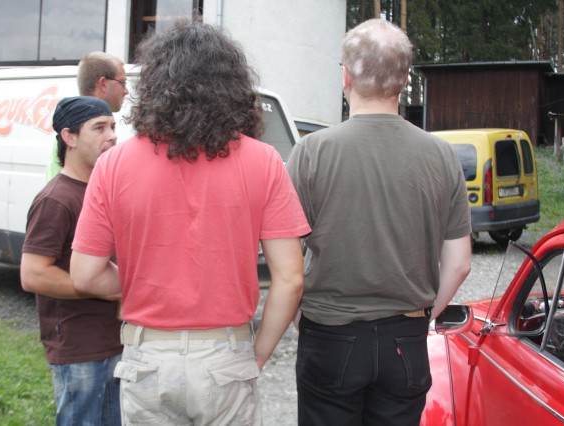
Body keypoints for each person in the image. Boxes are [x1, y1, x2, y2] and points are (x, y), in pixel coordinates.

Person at [69, 22, 310, 425]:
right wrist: (257, 355)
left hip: (146, 359)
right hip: (225, 356)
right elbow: (290, 279)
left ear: (154, 86)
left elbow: (84, 275)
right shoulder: (264, 161)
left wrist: (147, 280)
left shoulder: (113, 164)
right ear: (233, 85)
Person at [286, 19, 472, 426]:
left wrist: (301, 316)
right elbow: (459, 264)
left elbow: (286, 262)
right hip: (405, 338)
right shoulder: (442, 155)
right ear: (403, 81)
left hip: (329, 334)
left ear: (346, 77)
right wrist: (423, 316)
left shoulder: (311, 152)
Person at [21, 96, 121, 425]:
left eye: (113, 127)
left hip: (117, 343)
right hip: (80, 350)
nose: (112, 136)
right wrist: (106, 289)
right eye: (99, 128)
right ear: (69, 137)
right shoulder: (56, 199)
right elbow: (33, 274)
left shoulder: (104, 190)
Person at [45, 52, 129, 180]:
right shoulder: (68, 136)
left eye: (112, 127)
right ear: (103, 84)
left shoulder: (72, 126)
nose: (126, 91)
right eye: (122, 82)